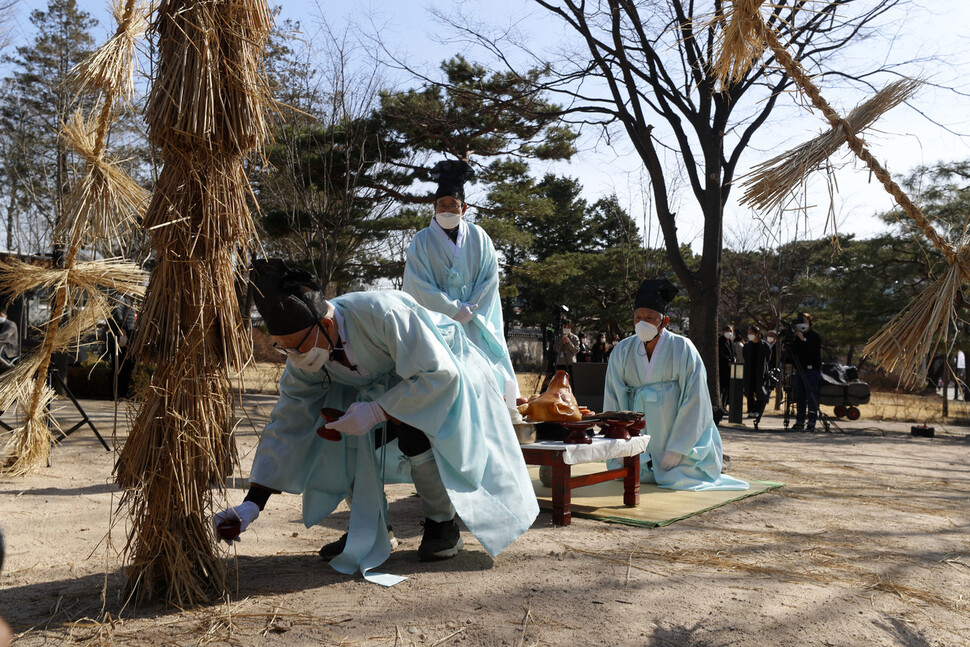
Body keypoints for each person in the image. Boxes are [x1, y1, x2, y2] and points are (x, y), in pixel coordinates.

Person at [214, 260, 537, 583]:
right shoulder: (305, 357)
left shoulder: (383, 313)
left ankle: (443, 526)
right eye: (284, 350)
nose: (295, 358)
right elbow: (288, 421)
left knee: (414, 432)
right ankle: (369, 525)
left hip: (444, 376)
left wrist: (378, 412)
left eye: (297, 347)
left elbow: (439, 374)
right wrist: (253, 504)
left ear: (326, 325)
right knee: (331, 432)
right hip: (378, 391)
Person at [603, 278, 748, 490]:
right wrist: (618, 438)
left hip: (673, 428)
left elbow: (695, 397)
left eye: (650, 317)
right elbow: (614, 394)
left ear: (665, 321)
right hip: (638, 426)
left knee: (678, 475)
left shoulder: (683, 348)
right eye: (638, 317)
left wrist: (679, 447)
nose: (643, 322)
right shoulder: (622, 351)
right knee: (629, 473)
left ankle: (677, 454)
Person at [402, 159, 518, 400]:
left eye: (453, 205)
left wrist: (469, 310)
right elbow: (418, 286)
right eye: (441, 205)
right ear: (433, 207)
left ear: (464, 208)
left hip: (476, 322)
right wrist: (452, 310)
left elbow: (489, 279)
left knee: (486, 376)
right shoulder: (421, 241)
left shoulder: (480, 237)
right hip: (437, 323)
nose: (447, 210)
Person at [789, 312, 822, 431]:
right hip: (800, 369)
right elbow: (794, 353)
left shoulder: (815, 336)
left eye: (804, 322)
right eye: (800, 322)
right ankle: (800, 421)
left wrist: (804, 340)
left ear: (810, 323)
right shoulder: (796, 337)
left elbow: (813, 352)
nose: (802, 324)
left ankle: (812, 421)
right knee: (800, 396)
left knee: (811, 395)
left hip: (812, 370)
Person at [107, 296, 136, 398]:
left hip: (126, 337)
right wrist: (122, 332)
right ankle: (116, 393)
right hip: (120, 338)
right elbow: (117, 316)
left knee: (126, 367)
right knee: (119, 367)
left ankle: (123, 392)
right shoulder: (119, 298)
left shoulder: (127, 300)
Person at [742, 325, 770, 418]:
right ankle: (750, 410)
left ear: (757, 334)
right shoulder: (746, 346)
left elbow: (768, 358)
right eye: (748, 333)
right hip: (749, 372)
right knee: (749, 391)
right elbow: (745, 357)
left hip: (761, 372)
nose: (749, 335)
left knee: (760, 392)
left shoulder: (764, 345)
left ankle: (758, 410)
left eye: (751, 333)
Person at [717, 324, 736, 409]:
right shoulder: (720, 341)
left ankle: (724, 405)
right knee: (722, 388)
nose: (729, 333)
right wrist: (727, 360)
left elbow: (733, 352)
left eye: (731, 331)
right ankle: (720, 405)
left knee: (727, 389)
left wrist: (733, 359)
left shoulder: (731, 342)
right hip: (722, 367)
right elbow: (720, 353)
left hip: (730, 368)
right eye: (727, 331)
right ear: (723, 332)